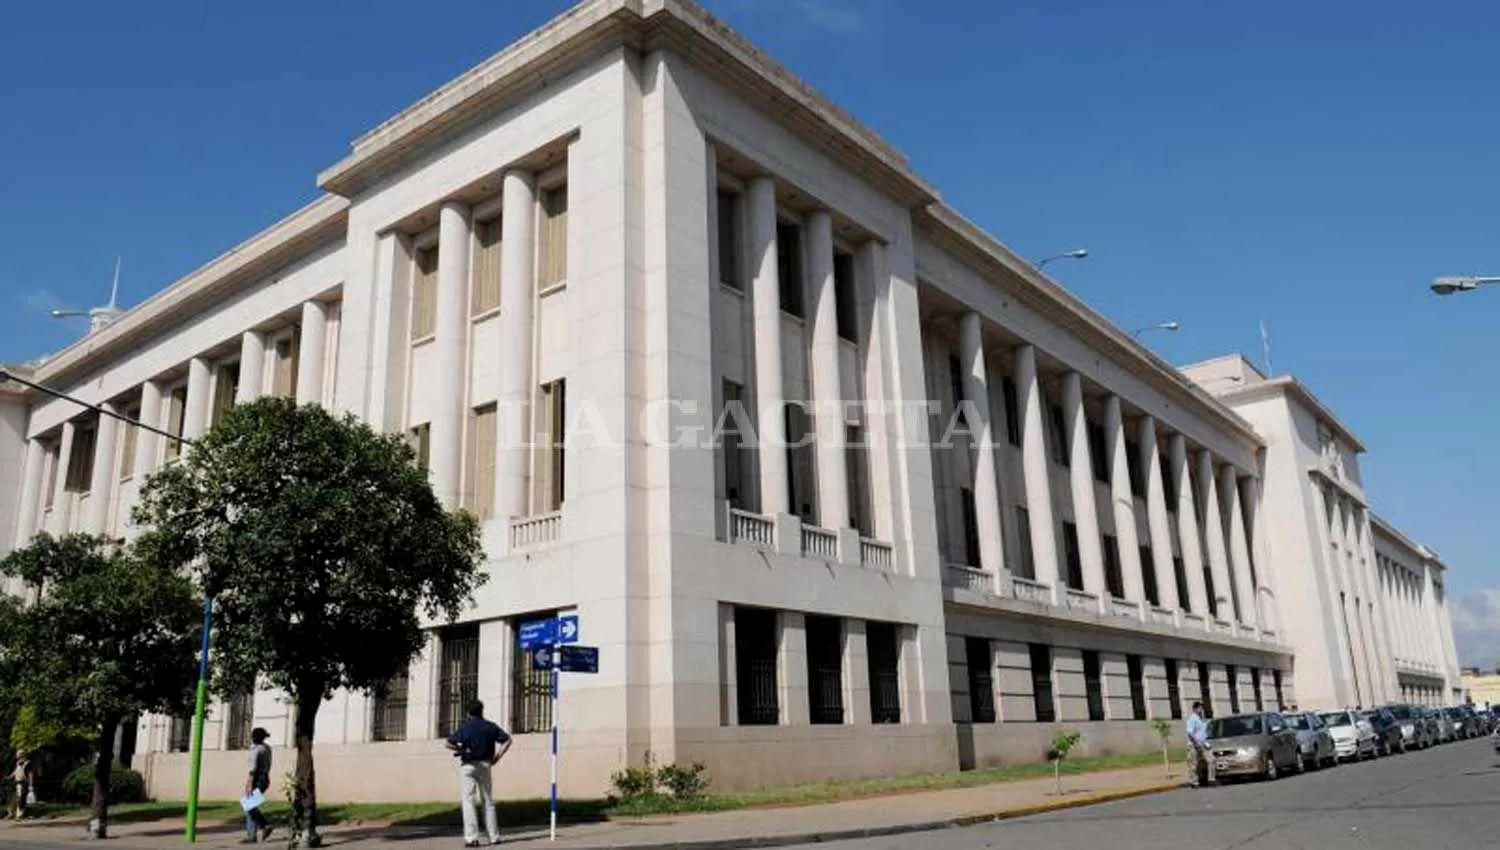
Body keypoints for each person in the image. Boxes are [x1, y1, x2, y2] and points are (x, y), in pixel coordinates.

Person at [445, 700, 512, 848]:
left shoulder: (465, 727)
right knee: (488, 801)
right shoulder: (490, 726)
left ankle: (471, 839)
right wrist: (497, 757)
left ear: (468, 713)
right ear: (482, 711)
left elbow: (448, 743)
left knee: (468, 801)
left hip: (468, 765)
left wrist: (462, 750)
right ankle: (494, 837)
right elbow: (507, 740)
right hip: (485, 765)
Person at [243, 727, 273, 844]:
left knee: (249, 806)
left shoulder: (255, 750)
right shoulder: (267, 748)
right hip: (265, 778)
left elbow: (253, 769)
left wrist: (249, 784)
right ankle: (252, 835)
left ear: (253, 737)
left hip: (257, 779)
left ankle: (265, 825)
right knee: (250, 805)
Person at [1185, 702, 1214, 787]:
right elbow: (1190, 733)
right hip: (1194, 745)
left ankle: (1211, 779)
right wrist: (1196, 744)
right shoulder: (1192, 719)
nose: (1201, 710)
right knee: (1194, 764)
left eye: (1202, 708)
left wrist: (1206, 744)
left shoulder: (1201, 719)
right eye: (1200, 708)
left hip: (1203, 744)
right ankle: (1194, 782)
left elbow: (1202, 733)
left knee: (1211, 760)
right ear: (1195, 709)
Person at [9, 751, 32, 820]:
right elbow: (16, 771)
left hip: (23, 782)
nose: (16, 755)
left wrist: (31, 784)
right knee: (17, 797)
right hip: (17, 782)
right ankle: (14, 812)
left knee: (20, 797)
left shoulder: (27, 763)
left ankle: (18, 813)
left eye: (18, 754)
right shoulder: (17, 763)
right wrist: (10, 776)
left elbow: (30, 774)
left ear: (22, 755)